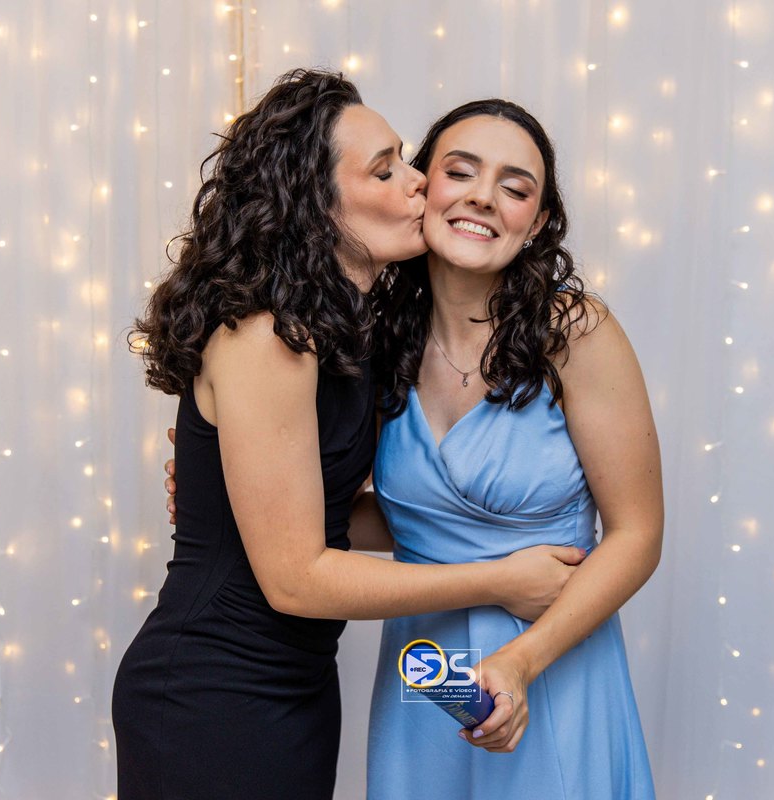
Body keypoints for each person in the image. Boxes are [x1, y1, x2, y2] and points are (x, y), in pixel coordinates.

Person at [112, 70, 587, 800]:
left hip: (297, 685)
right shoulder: (267, 335)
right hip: (211, 693)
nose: (419, 180)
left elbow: (342, 517)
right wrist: (501, 578)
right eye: (385, 169)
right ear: (316, 204)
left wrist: (506, 524)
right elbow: (296, 579)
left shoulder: (346, 334)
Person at [363, 98, 663, 798]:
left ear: (539, 221)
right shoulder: (379, 339)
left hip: (552, 661)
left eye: (515, 187)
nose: (482, 197)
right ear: (421, 187)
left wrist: (522, 662)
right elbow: (387, 519)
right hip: (425, 671)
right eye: (460, 171)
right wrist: (227, 487)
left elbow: (638, 534)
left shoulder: (576, 333)